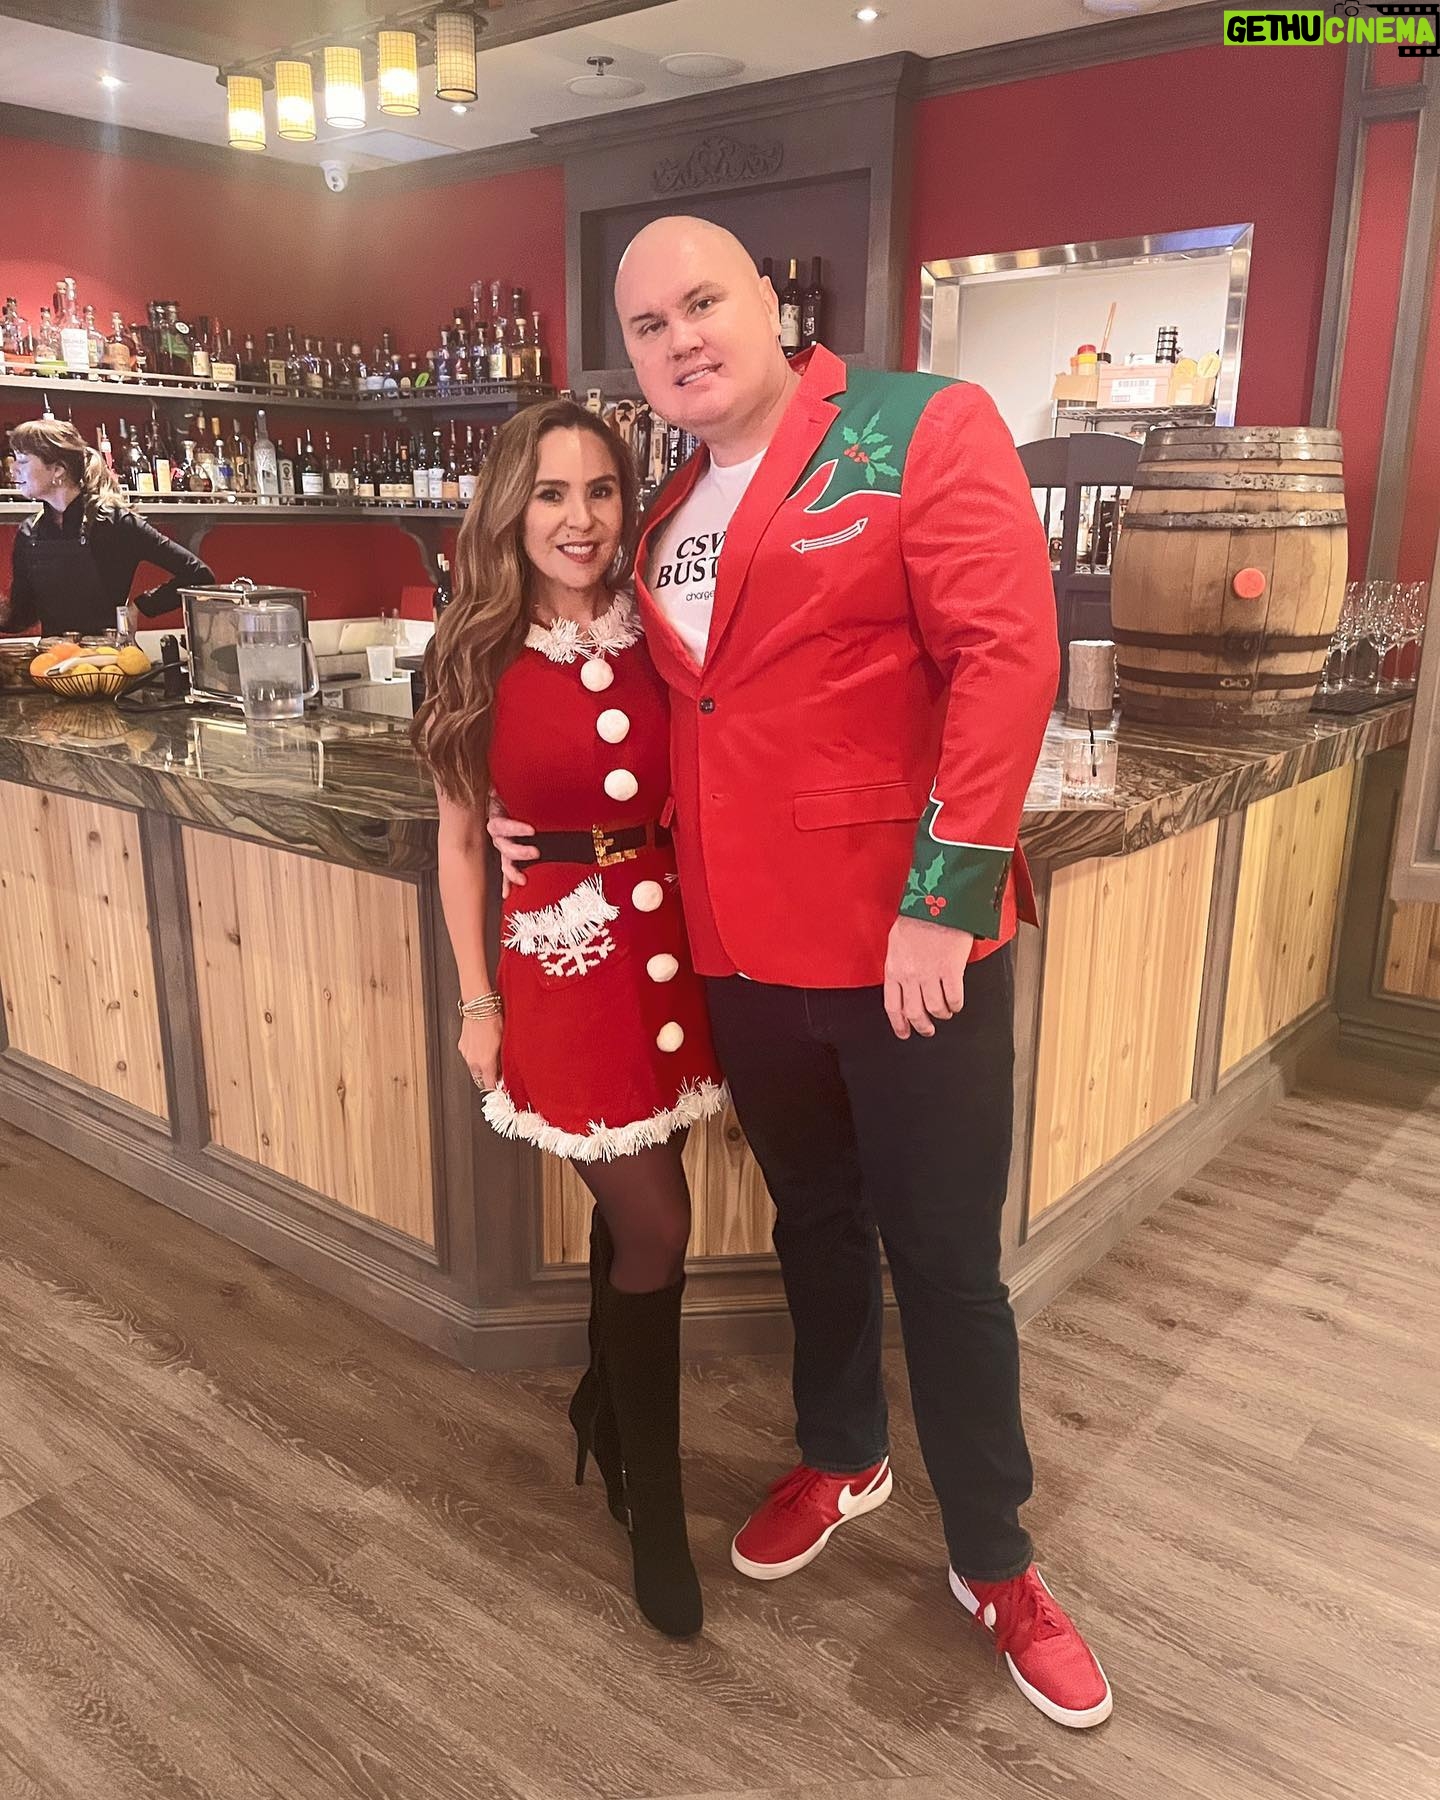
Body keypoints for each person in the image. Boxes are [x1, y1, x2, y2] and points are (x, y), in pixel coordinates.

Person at [492, 219, 1112, 1728]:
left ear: (768, 303)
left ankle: (995, 1559)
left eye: (702, 302)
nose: (680, 340)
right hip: (737, 954)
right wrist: (536, 824)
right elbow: (665, 713)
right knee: (815, 1225)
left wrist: (945, 900)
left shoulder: (918, 427)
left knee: (946, 1262)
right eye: (648, 326)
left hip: (909, 950)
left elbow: (1008, 657)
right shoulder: (661, 510)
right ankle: (845, 1455)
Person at [412, 398, 727, 1640]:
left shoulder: (664, 629)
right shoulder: (472, 654)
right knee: (657, 1223)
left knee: (634, 1210)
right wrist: (475, 1000)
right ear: (511, 507)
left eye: (602, 490)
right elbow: (457, 844)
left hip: (673, 955)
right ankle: (659, 1505)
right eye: (552, 492)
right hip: (564, 959)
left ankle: (607, 1410)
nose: (580, 517)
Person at [1, 419, 213, 637]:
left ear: (58, 470)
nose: (13, 469)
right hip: (54, 657)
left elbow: (198, 574)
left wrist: (141, 607)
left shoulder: (115, 523)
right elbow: (23, 616)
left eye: (23, 461)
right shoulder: (29, 532)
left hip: (110, 656)